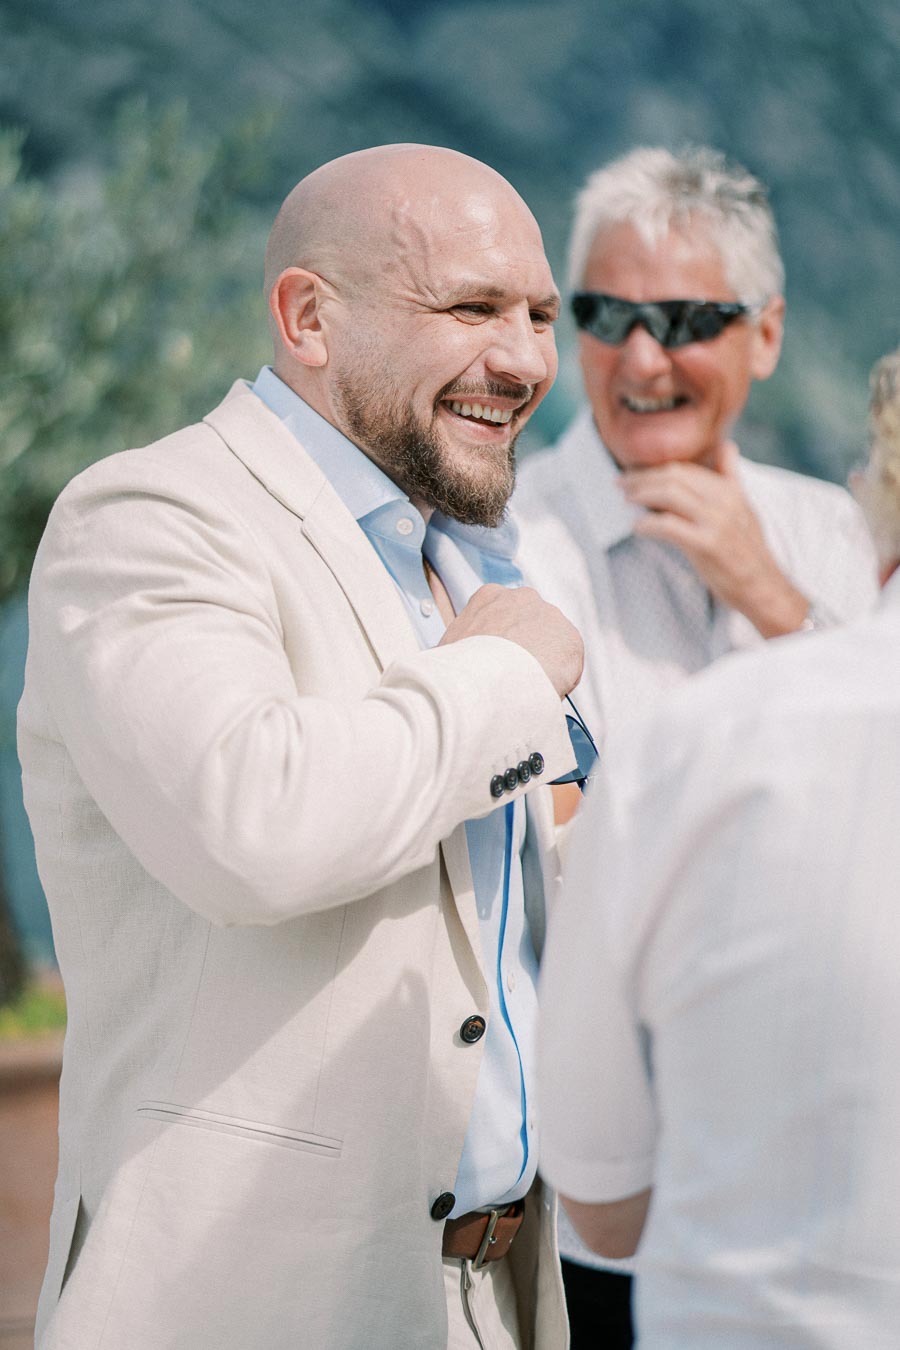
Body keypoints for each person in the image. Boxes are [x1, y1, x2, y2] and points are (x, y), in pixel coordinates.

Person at [17, 144, 587, 1350]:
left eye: (540, 313)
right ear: (308, 316)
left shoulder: (481, 563)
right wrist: (502, 674)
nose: (528, 358)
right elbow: (250, 828)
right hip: (240, 1307)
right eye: (473, 307)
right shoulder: (150, 517)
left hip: (499, 1299)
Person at [512, 145, 878, 1343]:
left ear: (766, 336)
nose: (643, 356)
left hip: (838, 1195)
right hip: (582, 1213)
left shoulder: (833, 533)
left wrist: (778, 606)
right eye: (609, 313)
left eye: (687, 318)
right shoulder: (509, 545)